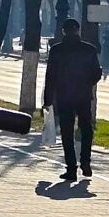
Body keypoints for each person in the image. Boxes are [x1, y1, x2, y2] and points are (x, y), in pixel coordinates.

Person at [43, 17, 103, 183]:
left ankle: (71, 169)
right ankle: (85, 161)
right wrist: (87, 83)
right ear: (78, 30)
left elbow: (50, 76)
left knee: (67, 132)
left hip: (64, 97)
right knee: (86, 129)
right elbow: (97, 73)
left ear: (63, 31)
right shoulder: (89, 49)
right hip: (83, 95)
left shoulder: (57, 50)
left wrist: (48, 99)